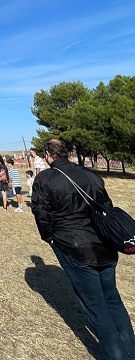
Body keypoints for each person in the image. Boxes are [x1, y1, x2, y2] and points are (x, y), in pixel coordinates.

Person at [31, 139, 135, 360]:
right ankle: (131, 350)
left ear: (48, 154)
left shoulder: (45, 179)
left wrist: (49, 237)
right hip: (103, 246)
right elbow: (105, 206)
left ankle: (119, 356)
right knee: (112, 299)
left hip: (74, 247)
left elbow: (41, 213)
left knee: (97, 307)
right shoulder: (91, 176)